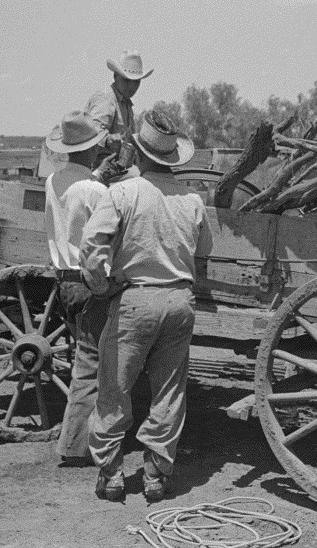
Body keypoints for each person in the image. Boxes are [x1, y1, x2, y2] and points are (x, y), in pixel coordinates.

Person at [80, 111, 212, 503]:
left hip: (135, 299)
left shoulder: (123, 193)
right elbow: (203, 253)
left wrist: (103, 286)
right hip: (179, 300)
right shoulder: (192, 200)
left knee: (114, 388)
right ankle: (155, 473)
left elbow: (91, 247)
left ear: (138, 151)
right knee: (169, 391)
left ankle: (111, 472)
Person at [43, 110, 121, 466]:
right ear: (93, 149)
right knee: (91, 364)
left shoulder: (53, 180)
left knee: (85, 356)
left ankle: (89, 434)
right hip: (89, 281)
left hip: (64, 279)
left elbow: (76, 202)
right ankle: (74, 445)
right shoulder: (95, 190)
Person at [84, 50, 153, 183]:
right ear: (115, 76)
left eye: (136, 82)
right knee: (141, 180)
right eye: (127, 81)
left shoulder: (125, 104)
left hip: (117, 168)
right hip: (101, 167)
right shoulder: (106, 98)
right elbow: (91, 133)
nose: (132, 87)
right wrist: (108, 140)